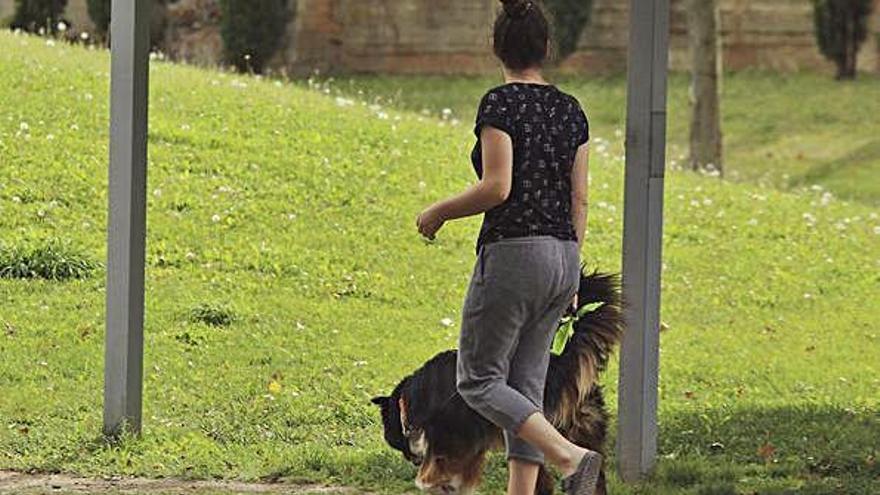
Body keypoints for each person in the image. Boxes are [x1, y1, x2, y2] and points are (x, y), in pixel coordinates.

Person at [415, 1, 601, 494]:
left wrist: (436, 213)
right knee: (525, 393)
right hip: (563, 256)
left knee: (477, 381)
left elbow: (497, 186)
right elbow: (579, 196)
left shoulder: (500, 104)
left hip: (515, 254)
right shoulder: (571, 110)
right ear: (546, 48)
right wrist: (573, 271)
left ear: (496, 47)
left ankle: (570, 457)